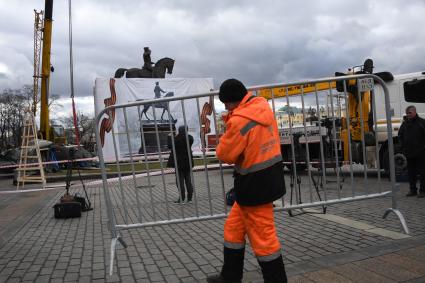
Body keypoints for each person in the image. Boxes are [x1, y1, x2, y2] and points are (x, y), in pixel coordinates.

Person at [207, 79, 287, 283]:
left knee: (264, 240)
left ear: (234, 101)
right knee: (233, 228)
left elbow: (225, 154)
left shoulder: (239, 121)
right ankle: (230, 276)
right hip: (263, 181)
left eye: (226, 104)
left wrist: (227, 127)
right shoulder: (261, 108)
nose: (225, 107)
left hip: (255, 187)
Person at [398, 105, 425, 198]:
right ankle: (412, 190)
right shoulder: (405, 124)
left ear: (414, 112)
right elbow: (400, 135)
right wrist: (402, 147)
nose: (408, 115)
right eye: (407, 113)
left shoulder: (422, 122)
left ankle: (423, 191)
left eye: (410, 113)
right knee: (411, 173)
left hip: (421, 153)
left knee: (423, 173)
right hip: (409, 153)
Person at [167, 125, 194, 204]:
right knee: (188, 180)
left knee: (180, 181)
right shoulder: (190, 138)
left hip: (179, 163)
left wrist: (169, 137)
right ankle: (189, 198)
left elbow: (170, 146)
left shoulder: (176, 139)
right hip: (188, 162)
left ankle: (181, 198)